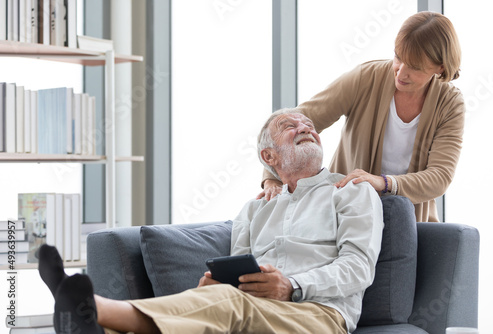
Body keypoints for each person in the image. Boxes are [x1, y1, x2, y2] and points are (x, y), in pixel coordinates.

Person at [38, 109, 383, 334]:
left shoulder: (351, 191)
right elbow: (239, 271)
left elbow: (358, 267)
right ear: (269, 156)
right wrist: (217, 285)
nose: (305, 127)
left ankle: (92, 307)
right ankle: (89, 318)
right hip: (252, 308)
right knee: (220, 303)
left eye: (308, 125)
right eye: (289, 126)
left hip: (319, 315)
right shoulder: (255, 208)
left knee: (231, 306)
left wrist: (291, 285)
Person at [259, 11, 464, 222]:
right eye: (398, 57)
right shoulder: (366, 78)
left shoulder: (450, 104)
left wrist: (383, 182)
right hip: (344, 211)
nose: (401, 73)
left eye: (414, 67)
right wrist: (272, 178)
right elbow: (300, 119)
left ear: (440, 67)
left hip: (406, 220)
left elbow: (440, 177)